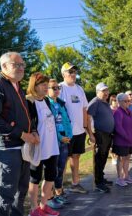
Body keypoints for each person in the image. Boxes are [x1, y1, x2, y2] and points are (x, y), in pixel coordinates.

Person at [0, 52, 39, 216]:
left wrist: (34, 131)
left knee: (21, 190)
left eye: (23, 65)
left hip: (23, 149)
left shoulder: (17, 87)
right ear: (4, 66)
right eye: (17, 65)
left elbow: (27, 115)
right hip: (7, 149)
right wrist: (22, 134)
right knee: (6, 193)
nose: (22, 68)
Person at [26, 73, 60, 216]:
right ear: (35, 85)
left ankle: (43, 205)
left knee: (51, 175)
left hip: (51, 145)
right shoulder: (29, 101)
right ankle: (34, 209)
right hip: (38, 147)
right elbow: (28, 123)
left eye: (47, 84)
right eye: (43, 84)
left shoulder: (46, 100)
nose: (46, 87)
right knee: (35, 178)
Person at [59, 62, 90, 194]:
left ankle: (75, 183)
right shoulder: (59, 88)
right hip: (66, 132)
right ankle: (59, 188)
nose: (73, 74)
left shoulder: (79, 89)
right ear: (63, 74)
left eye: (74, 72)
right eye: (70, 72)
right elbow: (57, 109)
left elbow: (84, 109)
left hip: (79, 131)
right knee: (63, 159)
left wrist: (86, 128)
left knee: (76, 156)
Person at [47, 79, 73, 206]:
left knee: (61, 167)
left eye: (58, 88)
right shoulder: (46, 103)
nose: (57, 90)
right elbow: (48, 124)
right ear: (47, 89)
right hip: (53, 140)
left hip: (64, 138)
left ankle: (59, 192)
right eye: (53, 88)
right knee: (53, 169)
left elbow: (66, 120)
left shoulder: (62, 103)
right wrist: (59, 137)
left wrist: (69, 135)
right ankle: (51, 196)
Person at [87, 82, 115, 193]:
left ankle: (101, 178)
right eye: (103, 91)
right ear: (97, 92)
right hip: (100, 133)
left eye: (107, 90)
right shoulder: (95, 102)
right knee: (99, 158)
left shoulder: (105, 102)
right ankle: (98, 182)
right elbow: (87, 118)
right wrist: (90, 134)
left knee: (103, 157)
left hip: (107, 134)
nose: (106, 93)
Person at [112, 93, 132, 186]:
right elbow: (118, 127)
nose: (128, 102)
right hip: (121, 141)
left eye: (129, 101)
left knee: (127, 158)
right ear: (119, 102)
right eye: (126, 101)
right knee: (121, 158)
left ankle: (126, 176)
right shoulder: (118, 112)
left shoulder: (129, 111)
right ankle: (119, 178)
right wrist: (127, 137)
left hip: (129, 140)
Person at [109, 94, 119, 165]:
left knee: (117, 144)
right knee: (110, 145)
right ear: (111, 101)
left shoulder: (119, 109)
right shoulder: (108, 109)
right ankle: (113, 157)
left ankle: (116, 157)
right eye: (114, 100)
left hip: (118, 130)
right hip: (110, 130)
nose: (116, 102)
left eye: (117, 100)